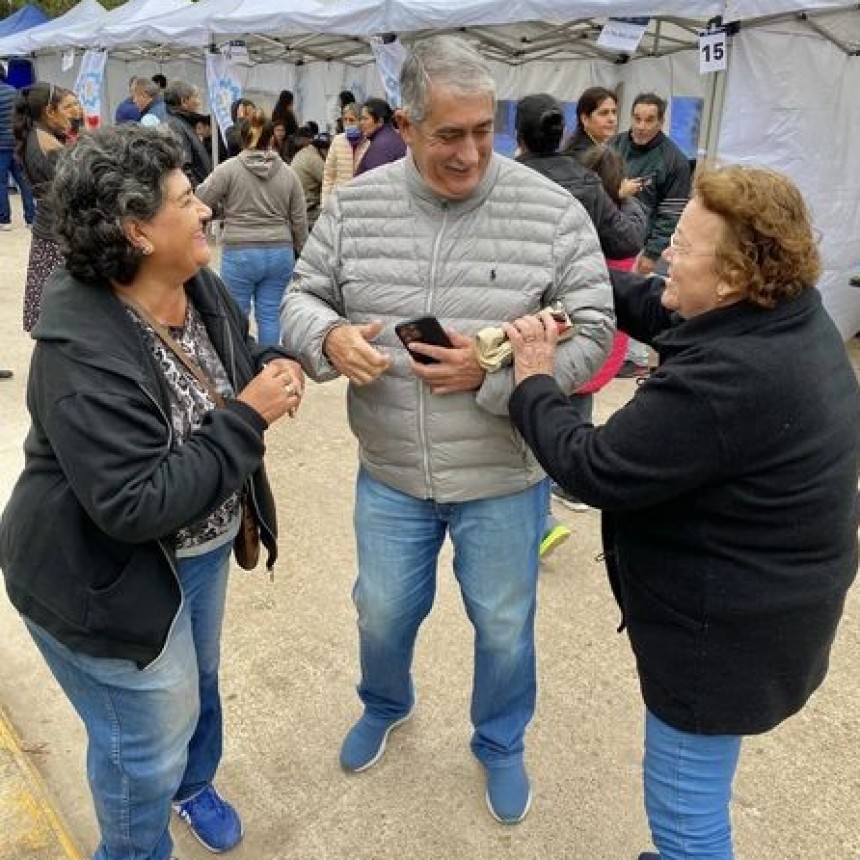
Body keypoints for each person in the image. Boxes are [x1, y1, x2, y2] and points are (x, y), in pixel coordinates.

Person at [282, 35, 613, 825]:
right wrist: (329, 340)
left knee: (503, 625)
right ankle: (384, 701)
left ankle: (500, 741)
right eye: (449, 134)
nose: (470, 153)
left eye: (483, 130)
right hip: (391, 470)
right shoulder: (357, 204)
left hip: (502, 475)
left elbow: (598, 332)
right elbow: (302, 297)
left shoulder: (550, 211)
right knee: (382, 610)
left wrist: (496, 377)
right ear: (407, 120)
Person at [504, 164, 859, 860]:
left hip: (724, 638)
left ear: (730, 277)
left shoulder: (729, 382)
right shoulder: (781, 313)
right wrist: (581, 275)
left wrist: (535, 377)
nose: (664, 250)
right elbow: (659, 305)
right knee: (698, 786)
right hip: (771, 606)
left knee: (687, 814)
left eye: (684, 246)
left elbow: (591, 466)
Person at [0, 124, 304, 859]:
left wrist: (283, 362)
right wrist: (247, 416)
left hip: (195, 552)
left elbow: (233, 358)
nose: (204, 209)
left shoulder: (194, 283)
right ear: (137, 231)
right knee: (142, 742)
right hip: (103, 578)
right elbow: (134, 505)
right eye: (184, 198)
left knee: (196, 684)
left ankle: (193, 785)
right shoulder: (78, 354)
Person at [514, 93, 645, 528]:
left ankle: (532, 501)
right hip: (571, 307)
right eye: (605, 112)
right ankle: (569, 480)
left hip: (516, 308)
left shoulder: (506, 178)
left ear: (519, 135)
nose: (612, 119)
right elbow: (625, 240)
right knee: (576, 388)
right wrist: (628, 201)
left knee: (519, 396)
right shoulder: (585, 181)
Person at [196, 113, 308, 347]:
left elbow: (201, 199)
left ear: (242, 137)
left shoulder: (228, 169)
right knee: (270, 314)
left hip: (240, 251)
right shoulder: (288, 173)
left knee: (236, 313)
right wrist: (302, 251)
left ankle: (241, 367)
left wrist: (222, 210)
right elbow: (299, 219)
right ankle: (270, 363)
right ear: (272, 138)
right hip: (280, 251)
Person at [611, 92, 691, 378]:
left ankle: (636, 358)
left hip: (642, 245)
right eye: (637, 118)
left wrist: (652, 252)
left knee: (638, 297)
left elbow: (671, 213)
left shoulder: (674, 162)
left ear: (661, 121)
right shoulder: (615, 145)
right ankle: (613, 353)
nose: (642, 126)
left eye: (649, 120)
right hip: (611, 236)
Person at [13, 83, 76, 331]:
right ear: (50, 111)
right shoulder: (47, 143)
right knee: (60, 312)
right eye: (67, 106)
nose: (73, 112)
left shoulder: (36, 135)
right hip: (56, 232)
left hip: (49, 228)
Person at [0, 62, 36, 230]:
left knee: (1, 183)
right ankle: (31, 218)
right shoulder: (14, 92)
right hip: (16, 143)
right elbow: (23, 118)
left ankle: (5, 220)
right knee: (24, 182)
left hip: (0, 147)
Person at [164, 81, 212, 188]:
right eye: (196, 97)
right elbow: (184, 166)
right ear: (184, 101)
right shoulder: (176, 125)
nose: (199, 102)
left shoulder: (182, 122)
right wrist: (195, 193)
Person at [321, 102, 368, 205]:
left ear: (361, 121)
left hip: (361, 201)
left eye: (352, 120)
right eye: (345, 120)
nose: (347, 124)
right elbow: (329, 175)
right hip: (339, 200)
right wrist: (325, 203)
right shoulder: (337, 141)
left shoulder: (369, 142)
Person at [563, 86, 618, 160]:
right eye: (604, 113)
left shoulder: (602, 149)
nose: (612, 119)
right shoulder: (581, 156)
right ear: (585, 119)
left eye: (614, 112)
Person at [289, 130, 331, 230]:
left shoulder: (305, 152)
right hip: (308, 211)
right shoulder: (315, 159)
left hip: (296, 207)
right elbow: (328, 181)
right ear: (324, 150)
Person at [355, 97, 406, 175]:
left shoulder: (382, 145)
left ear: (380, 121)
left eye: (365, 119)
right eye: (361, 119)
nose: (361, 123)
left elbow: (373, 180)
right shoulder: (390, 136)